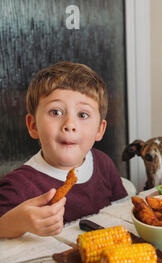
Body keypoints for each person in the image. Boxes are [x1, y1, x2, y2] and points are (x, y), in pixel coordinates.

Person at [0, 62, 127, 238]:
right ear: (33, 125)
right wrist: (17, 221)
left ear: (100, 129)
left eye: (83, 115)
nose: (69, 125)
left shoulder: (104, 164)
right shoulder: (17, 186)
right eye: (56, 112)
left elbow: (123, 212)